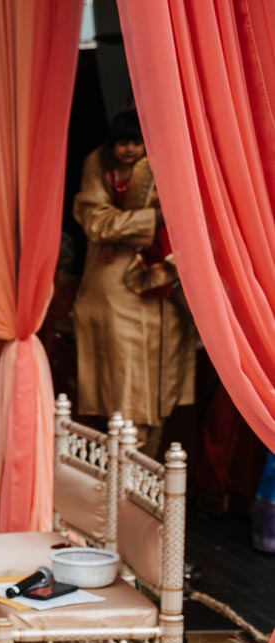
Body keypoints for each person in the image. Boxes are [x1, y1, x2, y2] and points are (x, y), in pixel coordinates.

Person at [71, 110, 195, 457]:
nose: (129, 150)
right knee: (123, 393)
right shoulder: (98, 163)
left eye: (136, 142)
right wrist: (153, 218)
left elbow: (187, 215)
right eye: (123, 143)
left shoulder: (170, 159)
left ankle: (142, 480)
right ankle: (125, 483)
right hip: (113, 292)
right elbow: (97, 221)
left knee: (157, 394)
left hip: (165, 291)